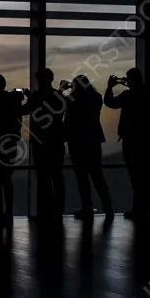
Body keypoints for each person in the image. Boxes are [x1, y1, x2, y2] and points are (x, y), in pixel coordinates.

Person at [64, 75, 113, 221]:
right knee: (97, 176)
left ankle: (87, 208)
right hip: (93, 141)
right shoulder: (96, 98)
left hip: (77, 142)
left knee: (82, 178)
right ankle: (108, 207)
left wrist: (66, 90)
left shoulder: (73, 100)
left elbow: (67, 110)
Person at [21, 68, 67, 221]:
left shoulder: (37, 97)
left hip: (40, 141)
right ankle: (58, 211)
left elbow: (25, 110)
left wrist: (26, 99)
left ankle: (44, 212)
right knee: (56, 176)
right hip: (56, 140)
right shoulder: (58, 96)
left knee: (43, 178)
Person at [105, 68, 149, 219]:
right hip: (143, 140)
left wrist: (110, 87)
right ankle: (143, 209)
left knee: (136, 177)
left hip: (131, 140)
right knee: (142, 177)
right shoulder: (144, 93)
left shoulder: (128, 95)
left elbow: (111, 103)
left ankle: (139, 209)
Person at [0, 73, 24, 226]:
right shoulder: (12, 99)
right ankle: (7, 212)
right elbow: (18, 119)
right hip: (9, 144)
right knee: (6, 179)